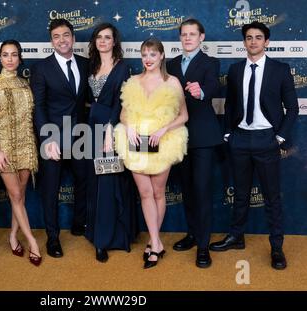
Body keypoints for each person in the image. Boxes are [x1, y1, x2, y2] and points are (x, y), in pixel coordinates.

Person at [209, 21, 299, 270]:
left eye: (258, 37)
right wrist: (228, 134)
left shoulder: (280, 69)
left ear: (266, 42)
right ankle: (236, 237)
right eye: (249, 37)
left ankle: (277, 247)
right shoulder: (236, 69)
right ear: (244, 42)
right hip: (240, 139)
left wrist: (279, 138)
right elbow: (230, 105)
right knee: (239, 194)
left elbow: (292, 108)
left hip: (267, 140)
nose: (253, 41)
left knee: (271, 198)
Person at [114, 37, 189, 269]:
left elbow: (184, 115)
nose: (148, 59)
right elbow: (123, 115)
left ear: (161, 56)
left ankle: (153, 241)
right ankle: (156, 243)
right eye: (144, 55)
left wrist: (165, 128)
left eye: (152, 54)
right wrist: (129, 126)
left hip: (163, 142)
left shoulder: (173, 82)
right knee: (145, 193)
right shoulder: (133, 81)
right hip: (136, 143)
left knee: (157, 193)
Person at [30, 18, 89, 258]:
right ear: (51, 41)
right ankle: (53, 238)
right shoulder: (41, 68)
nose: (62, 40)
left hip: (81, 133)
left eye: (66, 35)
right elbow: (39, 106)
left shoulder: (86, 64)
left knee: (84, 183)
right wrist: (47, 138)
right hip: (52, 134)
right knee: (50, 189)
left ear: (73, 38)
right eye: (57, 36)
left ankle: (79, 224)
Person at [166, 19, 222, 268]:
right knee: (187, 189)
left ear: (202, 37)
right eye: (184, 34)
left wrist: (199, 91)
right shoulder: (171, 64)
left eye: (192, 34)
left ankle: (203, 245)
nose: (187, 38)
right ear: (180, 38)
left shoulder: (211, 63)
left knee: (201, 190)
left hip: (203, 136)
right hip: (177, 136)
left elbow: (210, 89)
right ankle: (191, 233)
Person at [0, 40, 41, 266]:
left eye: (14, 54)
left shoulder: (26, 84)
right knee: (15, 195)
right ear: (0, 58)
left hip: (26, 145)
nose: (9, 59)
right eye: (5, 55)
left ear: (19, 58)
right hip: (4, 147)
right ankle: (32, 242)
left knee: (21, 195)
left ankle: (12, 235)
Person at [85, 23, 138, 263]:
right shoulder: (90, 65)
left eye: (108, 37)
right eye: (99, 37)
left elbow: (122, 102)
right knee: (96, 184)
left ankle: (108, 239)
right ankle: (97, 234)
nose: (103, 41)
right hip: (90, 129)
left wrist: (109, 129)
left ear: (115, 41)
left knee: (110, 184)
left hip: (111, 129)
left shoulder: (123, 68)